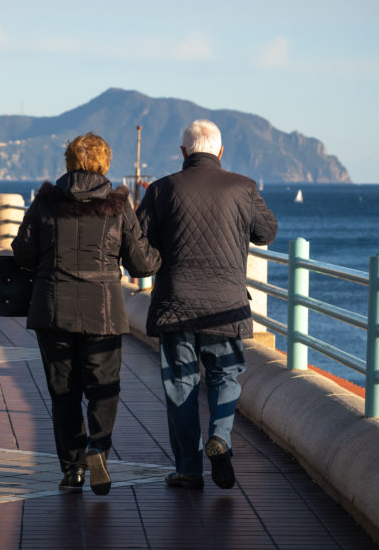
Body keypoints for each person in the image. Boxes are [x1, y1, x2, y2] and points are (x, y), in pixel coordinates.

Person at [12, 133, 161, 495]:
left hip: (52, 309)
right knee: (103, 388)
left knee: (63, 392)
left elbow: (22, 252)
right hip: (104, 310)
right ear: (104, 163)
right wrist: (163, 252)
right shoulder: (118, 204)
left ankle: (73, 470)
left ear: (68, 162)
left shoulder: (46, 202)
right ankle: (99, 448)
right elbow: (141, 264)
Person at [137, 119, 278, 491]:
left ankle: (188, 469)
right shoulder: (243, 187)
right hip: (225, 304)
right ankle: (221, 438)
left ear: (183, 152)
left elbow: (139, 247)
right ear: (220, 151)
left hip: (175, 303)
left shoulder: (160, 189)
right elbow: (267, 233)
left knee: (181, 384)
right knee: (225, 376)